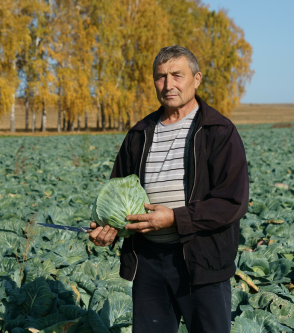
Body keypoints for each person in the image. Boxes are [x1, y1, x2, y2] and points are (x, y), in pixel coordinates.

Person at [88, 45, 249, 333]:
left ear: (196, 79)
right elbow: (116, 189)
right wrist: (107, 230)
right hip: (148, 261)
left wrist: (175, 218)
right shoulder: (139, 134)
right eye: (160, 77)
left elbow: (232, 202)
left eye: (177, 75)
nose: (168, 84)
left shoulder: (218, 132)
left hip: (201, 261)